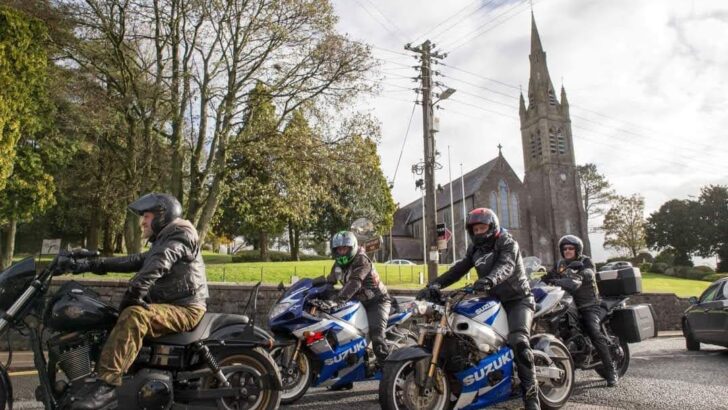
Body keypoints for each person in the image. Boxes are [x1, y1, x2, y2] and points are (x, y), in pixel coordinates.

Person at [60, 193, 209, 409]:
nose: (142, 222)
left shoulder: (180, 236)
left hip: (186, 308)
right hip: (171, 303)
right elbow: (136, 260)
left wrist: (134, 293)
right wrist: (88, 264)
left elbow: (159, 263)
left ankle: (106, 388)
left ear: (162, 216)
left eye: (146, 216)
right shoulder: (165, 238)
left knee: (134, 316)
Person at [417, 208, 540, 410]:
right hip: (492, 298)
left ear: (492, 227)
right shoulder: (475, 250)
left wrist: (489, 279)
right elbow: (457, 270)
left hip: (518, 299)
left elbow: (506, 266)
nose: (479, 232)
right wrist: (434, 285)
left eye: (482, 228)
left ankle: (531, 395)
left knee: (518, 341)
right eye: (475, 229)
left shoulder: (507, 242)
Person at [541, 235, 618, 387]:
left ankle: (611, 372)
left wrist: (582, 274)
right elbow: (549, 276)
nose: (567, 251)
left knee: (593, 331)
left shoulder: (585, 261)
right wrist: (536, 280)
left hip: (589, 304)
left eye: (570, 248)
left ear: (577, 250)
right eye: (565, 249)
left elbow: (589, 272)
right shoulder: (560, 264)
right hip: (568, 303)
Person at [325, 231, 391, 381]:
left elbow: (355, 283)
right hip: (357, 302)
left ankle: (388, 377)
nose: (341, 252)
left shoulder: (362, 260)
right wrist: (312, 290)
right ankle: (345, 378)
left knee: (377, 336)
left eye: (345, 249)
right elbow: (329, 282)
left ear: (352, 248)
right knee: (344, 335)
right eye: (339, 249)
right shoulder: (337, 265)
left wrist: (337, 300)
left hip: (377, 301)